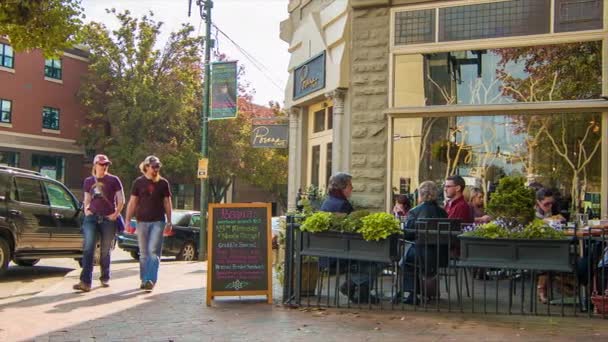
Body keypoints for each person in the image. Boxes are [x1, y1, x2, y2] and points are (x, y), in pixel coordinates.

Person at [73, 154, 124, 292]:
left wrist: (115, 214)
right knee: (88, 248)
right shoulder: (88, 181)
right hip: (92, 218)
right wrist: (86, 209)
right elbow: (86, 199)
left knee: (105, 251)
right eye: (102, 164)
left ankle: (105, 276)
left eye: (106, 164)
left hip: (108, 219)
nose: (104, 166)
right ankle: (85, 282)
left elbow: (121, 199)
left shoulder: (114, 180)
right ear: (95, 165)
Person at [124, 156, 173, 291]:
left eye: (158, 166)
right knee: (144, 253)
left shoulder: (163, 183)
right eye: (153, 166)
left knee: (153, 251)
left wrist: (169, 221)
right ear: (146, 167)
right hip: (141, 222)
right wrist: (127, 220)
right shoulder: (138, 183)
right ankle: (144, 279)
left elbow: (167, 202)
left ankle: (150, 280)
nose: (156, 169)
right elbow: (133, 202)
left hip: (158, 221)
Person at [398, 181, 448, 304]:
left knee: (404, 262)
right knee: (411, 256)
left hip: (420, 255)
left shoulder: (415, 211)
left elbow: (408, 234)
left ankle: (413, 293)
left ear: (420, 195)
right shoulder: (443, 212)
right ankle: (423, 293)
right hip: (441, 255)